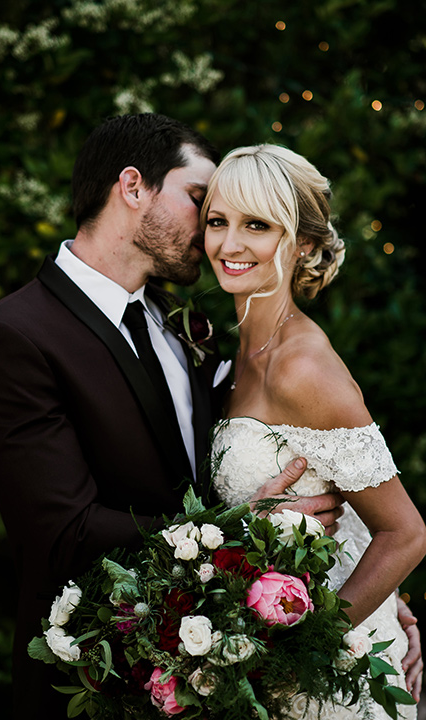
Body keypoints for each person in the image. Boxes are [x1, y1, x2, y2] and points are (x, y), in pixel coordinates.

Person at [0, 115, 344, 720]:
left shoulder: (181, 322)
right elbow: (64, 533)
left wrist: (369, 592)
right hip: (94, 684)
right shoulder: (12, 338)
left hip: (214, 682)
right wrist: (242, 529)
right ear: (133, 187)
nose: (214, 230)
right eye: (200, 200)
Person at [203, 143, 426, 717]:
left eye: (257, 224)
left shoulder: (303, 367)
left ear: (301, 242)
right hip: (257, 659)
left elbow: (405, 534)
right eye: (217, 222)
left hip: (331, 677)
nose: (229, 244)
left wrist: (309, 643)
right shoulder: (234, 356)